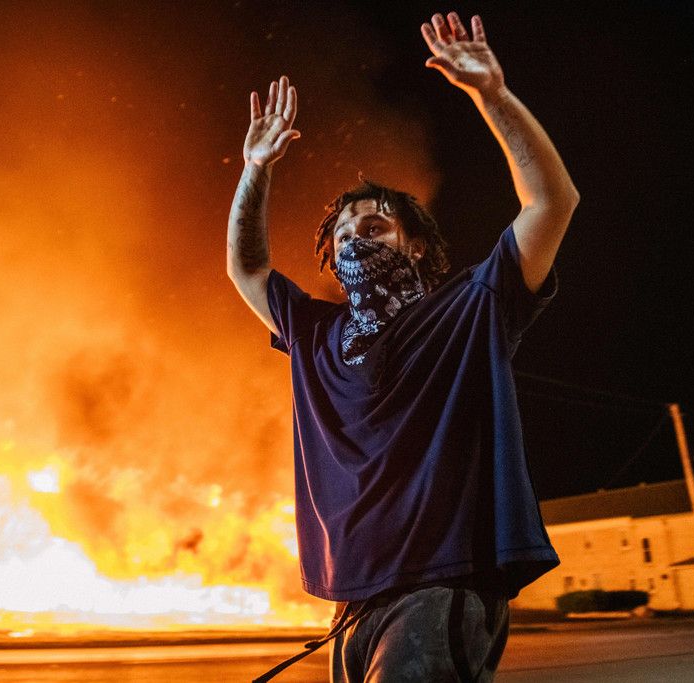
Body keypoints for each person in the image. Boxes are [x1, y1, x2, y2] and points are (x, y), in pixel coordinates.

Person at [227, 11, 578, 682]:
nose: (357, 237)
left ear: (416, 246)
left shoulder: (472, 306)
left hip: (441, 584)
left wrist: (493, 95)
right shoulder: (315, 333)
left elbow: (551, 203)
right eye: (345, 232)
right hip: (353, 601)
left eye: (376, 226)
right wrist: (255, 169)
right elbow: (246, 267)